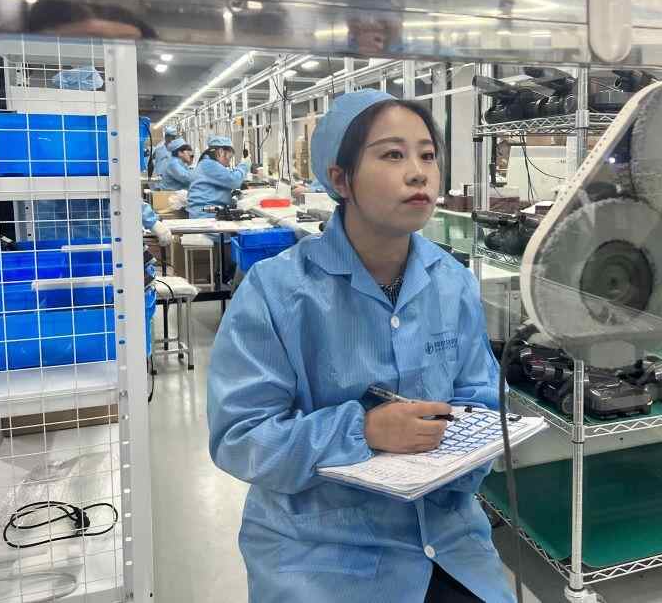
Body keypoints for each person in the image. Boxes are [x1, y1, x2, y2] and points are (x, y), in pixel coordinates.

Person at [207, 89, 511, 603]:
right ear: (341, 179)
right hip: (322, 552)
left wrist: (464, 446)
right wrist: (363, 430)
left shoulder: (452, 281)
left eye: (427, 155)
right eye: (392, 154)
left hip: (447, 538)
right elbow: (241, 437)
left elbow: (478, 398)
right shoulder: (276, 292)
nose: (418, 173)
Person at [186, 135, 252, 218]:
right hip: (206, 216)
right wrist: (244, 165)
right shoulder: (209, 165)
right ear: (220, 152)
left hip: (205, 212)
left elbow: (213, 189)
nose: (228, 164)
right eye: (229, 157)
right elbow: (234, 181)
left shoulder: (206, 163)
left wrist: (229, 194)